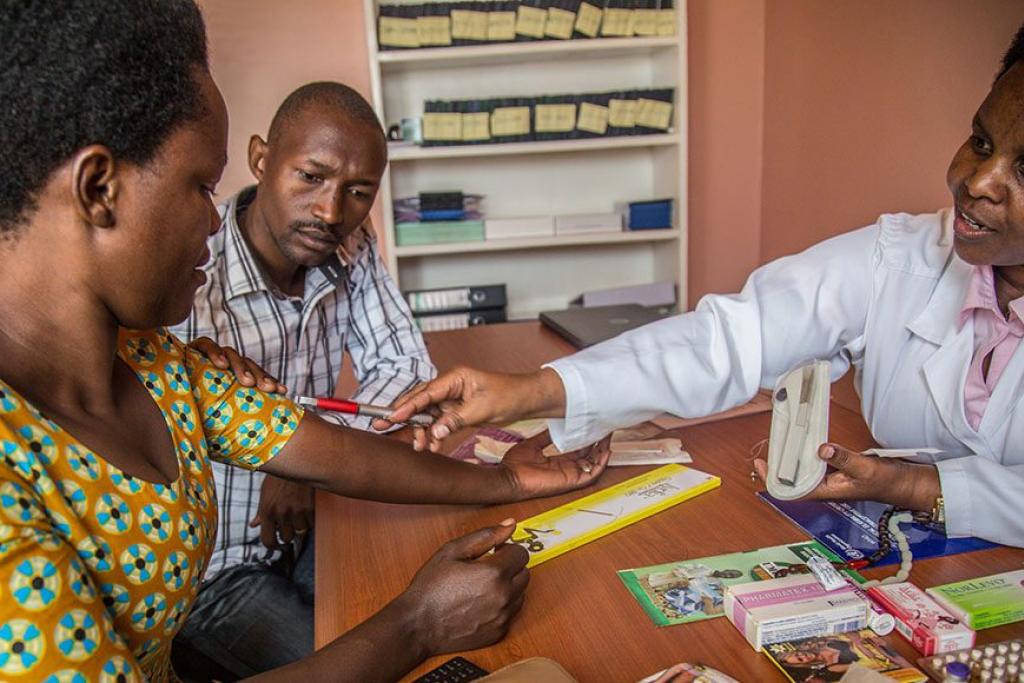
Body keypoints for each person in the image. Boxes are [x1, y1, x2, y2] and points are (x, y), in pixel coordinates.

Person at [0, 2, 610, 681]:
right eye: (201, 185)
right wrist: (415, 620)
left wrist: (505, 478)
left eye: (355, 190)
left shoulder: (159, 366)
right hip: (232, 578)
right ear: (98, 187)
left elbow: (338, 455)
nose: (212, 218)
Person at [385, 23, 1024, 549]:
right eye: (980, 141)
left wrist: (911, 486)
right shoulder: (905, 254)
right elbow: (731, 338)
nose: (978, 182)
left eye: (1023, 171)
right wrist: (533, 391)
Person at [169, 81, 435, 677]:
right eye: (310, 177)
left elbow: (406, 368)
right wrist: (290, 454)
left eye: (358, 192)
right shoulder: (190, 266)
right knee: (379, 665)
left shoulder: (348, 244)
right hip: (218, 568)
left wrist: (308, 458)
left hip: (322, 518)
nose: (330, 211)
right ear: (261, 159)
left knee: (428, 617)